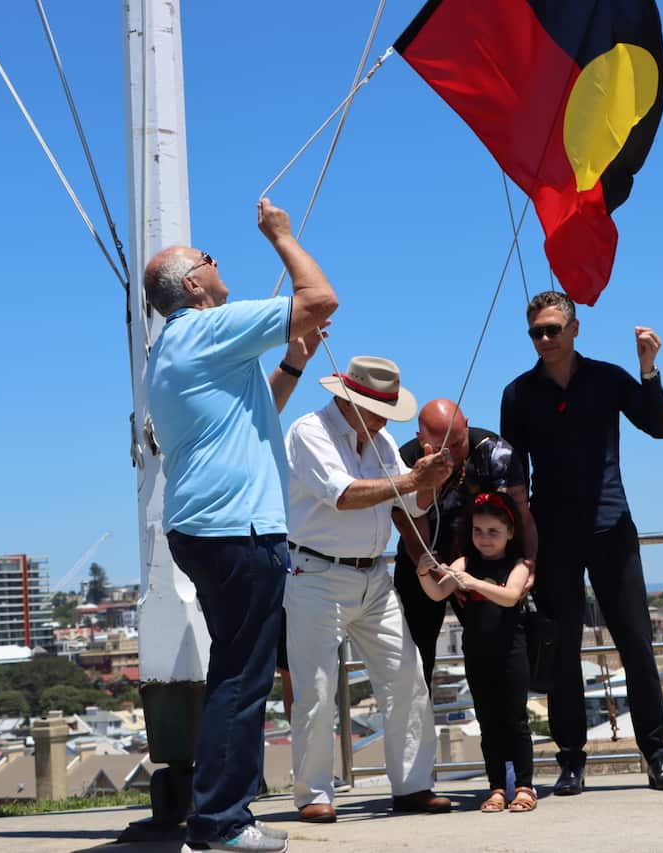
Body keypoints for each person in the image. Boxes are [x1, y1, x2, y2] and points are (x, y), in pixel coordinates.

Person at [145, 198, 337, 853]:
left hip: (203, 526)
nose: (218, 263)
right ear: (193, 285)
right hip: (234, 527)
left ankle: (225, 814)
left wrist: (293, 364)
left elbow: (255, 416)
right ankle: (221, 821)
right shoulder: (207, 328)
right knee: (241, 675)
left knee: (239, 668)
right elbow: (320, 299)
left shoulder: (174, 347)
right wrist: (281, 236)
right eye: (209, 259)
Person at [500, 290, 663, 796]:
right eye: (536, 332)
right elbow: (514, 475)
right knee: (561, 653)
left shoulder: (606, 378)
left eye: (553, 329)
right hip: (552, 535)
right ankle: (570, 761)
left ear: (575, 329)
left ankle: (656, 755)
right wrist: (521, 545)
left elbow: (660, 426)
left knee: (636, 645)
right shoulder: (517, 394)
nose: (545, 340)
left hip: (611, 528)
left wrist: (648, 369)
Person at [284, 355, 456, 823]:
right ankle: (314, 793)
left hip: (372, 576)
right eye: (380, 409)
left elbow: (410, 501)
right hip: (317, 575)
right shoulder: (309, 432)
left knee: (406, 676)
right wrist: (412, 479)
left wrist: (431, 482)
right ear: (351, 400)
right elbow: (342, 494)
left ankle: (413, 785)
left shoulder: (378, 440)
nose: (386, 419)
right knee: (316, 689)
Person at [392, 399, 537, 691]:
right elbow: (411, 528)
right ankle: (418, 732)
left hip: (480, 561)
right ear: (422, 441)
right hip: (423, 561)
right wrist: (438, 574)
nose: (454, 454)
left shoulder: (496, 453)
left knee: (494, 653)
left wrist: (529, 563)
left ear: (467, 425)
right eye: (443, 448)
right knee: (415, 660)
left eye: (458, 443)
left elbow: (521, 516)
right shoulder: (404, 460)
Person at [417, 492, 537, 813]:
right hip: (478, 654)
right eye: (478, 531)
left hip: (512, 652)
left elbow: (511, 596)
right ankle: (497, 787)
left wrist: (472, 583)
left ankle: (524, 786)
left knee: (516, 720)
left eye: (493, 532)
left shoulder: (518, 564)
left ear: (510, 533)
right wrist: (423, 572)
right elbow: (437, 593)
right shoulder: (464, 563)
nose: (484, 538)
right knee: (488, 722)